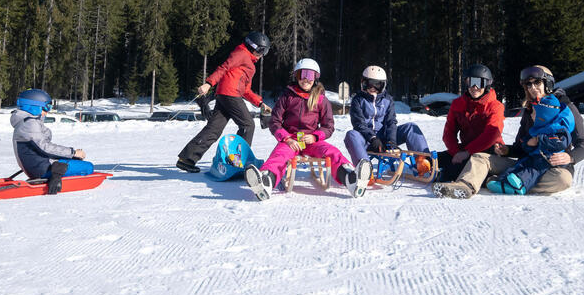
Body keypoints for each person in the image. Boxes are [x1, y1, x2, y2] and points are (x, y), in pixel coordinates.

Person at [433, 65, 584, 199]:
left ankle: (505, 183)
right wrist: (507, 150)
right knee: (480, 157)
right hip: (524, 164)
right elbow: (520, 146)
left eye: (537, 82)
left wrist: (570, 157)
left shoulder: (566, 108)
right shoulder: (530, 110)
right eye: (528, 85)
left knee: (562, 180)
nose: (533, 88)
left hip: (552, 166)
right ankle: (464, 186)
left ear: (547, 83)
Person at [244, 58, 372, 201]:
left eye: (309, 75)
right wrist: (286, 138)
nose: (305, 79)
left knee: (332, 152)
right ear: (296, 76)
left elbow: (328, 126)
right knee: (279, 155)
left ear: (315, 77)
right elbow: (275, 121)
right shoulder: (287, 96)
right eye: (302, 75)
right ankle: (266, 181)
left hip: (311, 139)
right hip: (291, 139)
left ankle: (351, 178)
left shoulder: (321, 99)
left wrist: (315, 137)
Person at [177, 32, 272, 173]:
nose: (263, 54)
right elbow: (224, 67)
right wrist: (209, 83)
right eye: (262, 50)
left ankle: (187, 159)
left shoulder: (250, 63)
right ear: (254, 47)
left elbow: (246, 90)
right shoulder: (242, 53)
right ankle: (237, 160)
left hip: (227, 94)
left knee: (214, 129)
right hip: (230, 94)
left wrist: (260, 103)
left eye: (266, 51)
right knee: (248, 125)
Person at [344, 65, 431, 169]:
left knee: (411, 127)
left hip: (384, 138)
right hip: (366, 139)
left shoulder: (388, 100)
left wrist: (391, 141)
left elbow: (391, 122)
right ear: (363, 83)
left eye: (377, 85)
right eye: (369, 84)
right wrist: (373, 138)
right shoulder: (358, 100)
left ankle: (422, 160)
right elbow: (359, 124)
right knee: (351, 135)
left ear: (383, 85)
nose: (372, 88)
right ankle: (364, 169)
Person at [486, 93, 575, 195]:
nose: (531, 115)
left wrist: (539, 140)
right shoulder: (536, 129)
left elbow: (560, 143)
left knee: (531, 171)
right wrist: (528, 144)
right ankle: (502, 182)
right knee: (518, 166)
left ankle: (520, 185)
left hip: (546, 161)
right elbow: (525, 146)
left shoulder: (558, 129)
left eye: (534, 113)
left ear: (543, 116)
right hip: (533, 157)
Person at [11, 89, 93, 194]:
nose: (47, 111)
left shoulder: (26, 122)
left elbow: (41, 146)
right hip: (41, 169)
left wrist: (70, 155)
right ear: (34, 106)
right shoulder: (30, 124)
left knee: (77, 162)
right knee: (88, 167)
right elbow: (45, 148)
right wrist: (73, 153)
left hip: (37, 166)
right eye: (46, 107)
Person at [435, 63, 505, 183]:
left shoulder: (495, 106)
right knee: (432, 160)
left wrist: (467, 152)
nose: (474, 87)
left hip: (488, 151)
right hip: (465, 149)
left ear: (487, 85)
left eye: (480, 83)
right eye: (471, 82)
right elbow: (448, 132)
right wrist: (456, 152)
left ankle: (488, 177)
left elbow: (491, 135)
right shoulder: (458, 104)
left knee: (453, 171)